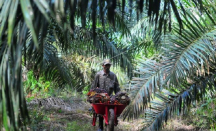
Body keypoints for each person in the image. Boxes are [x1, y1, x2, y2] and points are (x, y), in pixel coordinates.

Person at [91, 59, 120, 131]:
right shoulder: (99, 75)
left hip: (110, 97)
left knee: (111, 109)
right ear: (103, 65)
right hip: (100, 96)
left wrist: (119, 96)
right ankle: (100, 127)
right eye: (106, 65)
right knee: (100, 111)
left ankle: (109, 124)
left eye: (109, 65)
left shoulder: (113, 76)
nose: (107, 66)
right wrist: (92, 96)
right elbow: (94, 86)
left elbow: (117, 88)